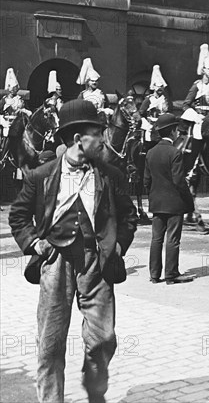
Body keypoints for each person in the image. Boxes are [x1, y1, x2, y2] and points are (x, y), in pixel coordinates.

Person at [8, 99, 137, 403]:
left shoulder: (110, 175)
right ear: (79, 138)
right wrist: (32, 242)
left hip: (97, 261)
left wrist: (118, 245)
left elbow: (128, 215)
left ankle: (94, 390)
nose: (103, 139)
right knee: (51, 343)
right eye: (98, 133)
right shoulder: (41, 175)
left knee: (103, 339)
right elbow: (18, 216)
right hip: (56, 263)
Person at [144, 113, 196, 284]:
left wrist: (154, 193)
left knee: (156, 239)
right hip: (174, 203)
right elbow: (179, 181)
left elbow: (146, 181)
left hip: (156, 202)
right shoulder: (175, 153)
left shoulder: (150, 153)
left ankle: (154, 275)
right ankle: (171, 274)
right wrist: (188, 201)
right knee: (173, 239)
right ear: (173, 131)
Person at [181, 44, 209, 181]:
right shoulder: (197, 85)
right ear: (203, 70)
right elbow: (185, 105)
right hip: (200, 120)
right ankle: (192, 168)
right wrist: (196, 116)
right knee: (198, 139)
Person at [0, 68, 31, 158]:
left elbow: (27, 110)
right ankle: (3, 156)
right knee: (8, 134)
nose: (15, 89)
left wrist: (24, 111)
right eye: (13, 88)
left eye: (16, 87)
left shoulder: (20, 99)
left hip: (19, 122)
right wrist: (4, 122)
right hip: (7, 123)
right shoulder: (4, 100)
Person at [139, 65, 171, 142]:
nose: (160, 89)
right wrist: (147, 124)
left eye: (161, 87)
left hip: (163, 125)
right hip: (150, 125)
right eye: (157, 86)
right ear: (154, 87)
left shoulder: (165, 99)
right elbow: (141, 113)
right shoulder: (149, 99)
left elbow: (169, 111)